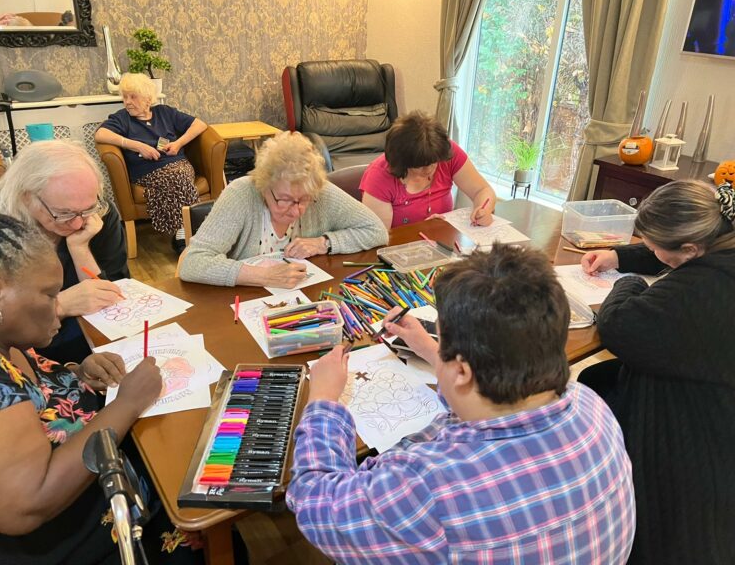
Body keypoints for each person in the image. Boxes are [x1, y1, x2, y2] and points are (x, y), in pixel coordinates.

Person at [287, 244, 636, 564]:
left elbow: (314, 504)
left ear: (462, 371)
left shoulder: (428, 487)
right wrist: (431, 350)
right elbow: (484, 404)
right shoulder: (591, 405)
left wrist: (323, 401)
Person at [0, 204, 166, 563]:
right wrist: (129, 402)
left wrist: (77, 374)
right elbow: (31, 500)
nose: (58, 305)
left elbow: (35, 394)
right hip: (82, 539)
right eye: (49, 295)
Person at [578, 179, 735, 565]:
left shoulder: (706, 287)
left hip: (696, 433)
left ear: (690, 250)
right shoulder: (719, 233)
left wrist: (628, 282)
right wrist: (618, 256)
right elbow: (670, 251)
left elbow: (619, 325)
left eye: (652, 248)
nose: (650, 252)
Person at [0, 140, 128, 365]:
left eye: (86, 209)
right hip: (18, 356)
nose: (77, 224)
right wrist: (59, 305)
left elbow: (116, 295)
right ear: (26, 197)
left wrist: (80, 249)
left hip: (91, 346)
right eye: (63, 213)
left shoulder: (100, 215)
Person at [179, 131, 389, 288]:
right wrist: (264, 276)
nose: (296, 211)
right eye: (285, 200)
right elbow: (193, 262)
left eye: (304, 200)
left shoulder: (318, 190)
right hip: (243, 303)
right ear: (264, 186)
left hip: (303, 301)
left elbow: (376, 230)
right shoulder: (241, 194)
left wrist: (323, 243)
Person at [95, 72, 208, 252]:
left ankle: (183, 233)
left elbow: (200, 124)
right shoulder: (122, 118)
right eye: (125, 97)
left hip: (178, 164)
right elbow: (101, 134)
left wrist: (178, 144)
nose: (127, 102)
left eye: (133, 97)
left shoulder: (165, 112)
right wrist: (137, 146)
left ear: (147, 99)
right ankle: (190, 232)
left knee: (178, 175)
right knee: (177, 179)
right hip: (147, 172)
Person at [360, 111, 496, 229]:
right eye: (420, 165)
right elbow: (379, 239)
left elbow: (483, 190)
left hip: (442, 241)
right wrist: (421, 229)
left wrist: (484, 210)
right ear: (403, 161)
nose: (429, 169)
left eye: (434, 162)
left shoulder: (443, 152)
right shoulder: (379, 176)